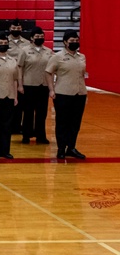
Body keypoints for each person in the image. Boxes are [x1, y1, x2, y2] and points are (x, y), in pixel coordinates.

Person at [46, 30, 87, 160]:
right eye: (71, 41)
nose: (74, 43)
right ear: (65, 42)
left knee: (75, 123)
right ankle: (61, 148)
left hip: (80, 93)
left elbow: (82, 74)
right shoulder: (57, 57)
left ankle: (71, 148)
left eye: (76, 40)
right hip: (63, 93)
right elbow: (48, 72)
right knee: (62, 122)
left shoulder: (82, 57)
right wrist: (51, 89)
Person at [18, 27, 52, 145]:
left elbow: (51, 70)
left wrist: (51, 86)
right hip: (28, 85)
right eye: (37, 36)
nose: (39, 38)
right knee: (28, 112)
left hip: (43, 86)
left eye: (41, 36)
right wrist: (20, 85)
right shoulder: (24, 50)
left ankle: (41, 136)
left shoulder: (48, 51)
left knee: (42, 113)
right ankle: (26, 135)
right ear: (32, 38)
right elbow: (19, 67)